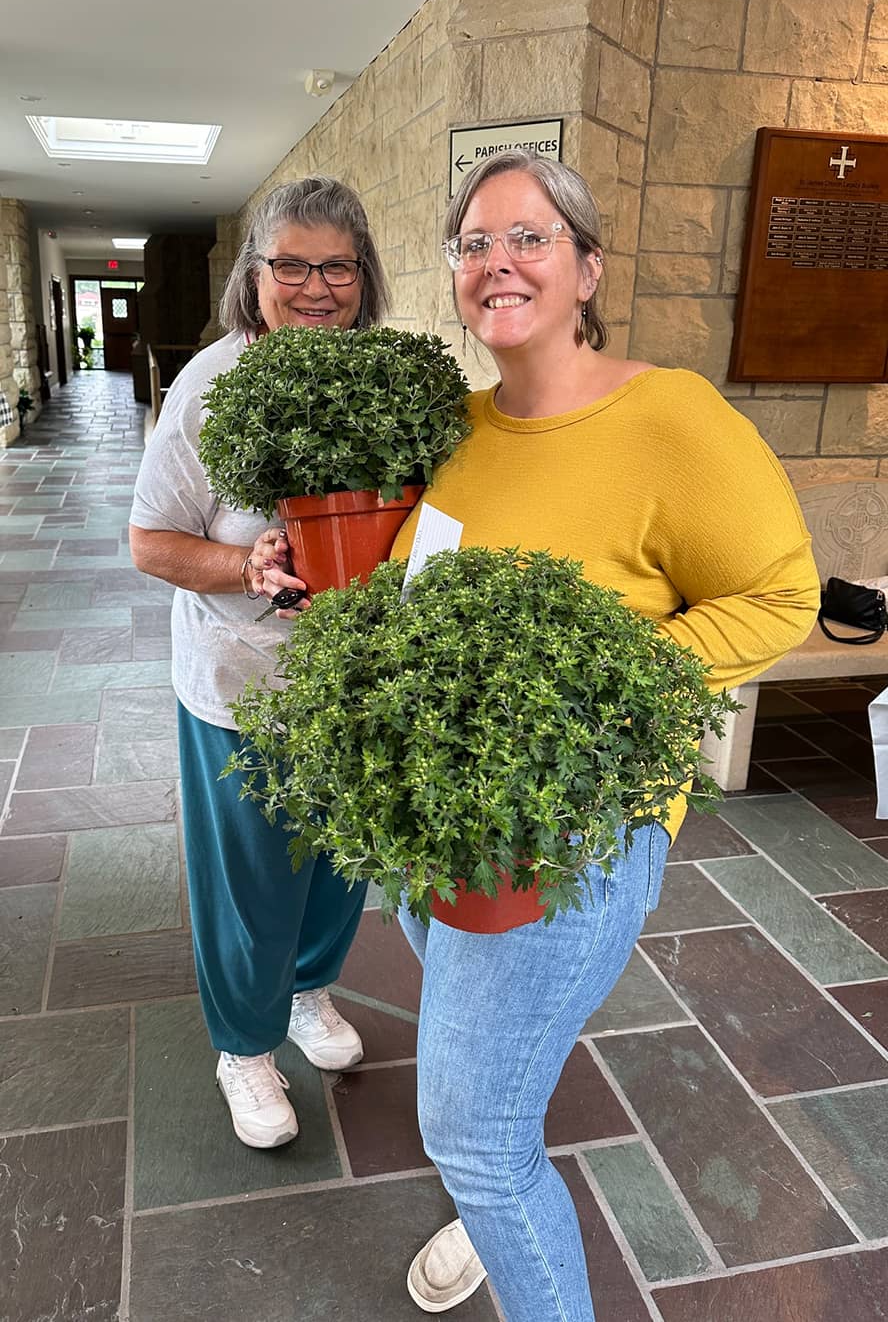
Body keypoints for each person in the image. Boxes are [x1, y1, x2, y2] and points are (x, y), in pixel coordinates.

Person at [390, 151, 820, 1319]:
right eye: (474, 243)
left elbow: (781, 594)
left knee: (470, 1131)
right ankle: (494, 1183)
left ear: (588, 265)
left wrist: (598, 681)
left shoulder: (667, 414)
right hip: (435, 824)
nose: (498, 263)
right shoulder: (456, 428)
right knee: (480, 1058)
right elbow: (412, 585)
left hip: (568, 838)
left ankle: (491, 1184)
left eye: (530, 237)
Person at [129, 177, 390, 1150]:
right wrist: (245, 562)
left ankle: (308, 994)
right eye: (292, 264)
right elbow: (152, 542)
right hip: (242, 682)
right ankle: (242, 1045)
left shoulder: (379, 381)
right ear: (255, 274)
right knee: (250, 877)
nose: (315, 286)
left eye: (336, 265)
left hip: (350, 681)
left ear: (363, 277)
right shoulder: (210, 385)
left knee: (334, 864)